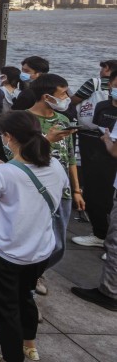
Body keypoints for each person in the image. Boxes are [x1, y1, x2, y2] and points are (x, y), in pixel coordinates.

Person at [0, 110, 67, 362]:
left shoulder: (2, 174)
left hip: (4, 250)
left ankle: (11, 357)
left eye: (2, 134)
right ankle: (29, 346)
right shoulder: (55, 165)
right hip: (39, 249)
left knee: (5, 308)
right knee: (26, 297)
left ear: (9, 137)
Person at [25, 73, 82, 290]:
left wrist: (76, 189)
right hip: (34, 189)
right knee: (33, 238)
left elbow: (69, 157)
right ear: (46, 96)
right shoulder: (24, 119)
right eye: (62, 93)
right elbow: (17, 156)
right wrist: (46, 140)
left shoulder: (63, 120)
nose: (67, 97)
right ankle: (30, 277)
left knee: (58, 243)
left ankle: (38, 271)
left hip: (62, 189)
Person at [70, 75, 117, 310]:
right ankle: (100, 235)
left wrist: (108, 142)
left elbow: (114, 149)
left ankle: (109, 292)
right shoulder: (103, 106)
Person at [71, 63, 117, 248]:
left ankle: (112, 244)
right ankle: (99, 234)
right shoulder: (103, 106)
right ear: (110, 85)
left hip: (113, 157)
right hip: (97, 154)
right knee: (94, 194)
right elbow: (98, 128)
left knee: (111, 201)